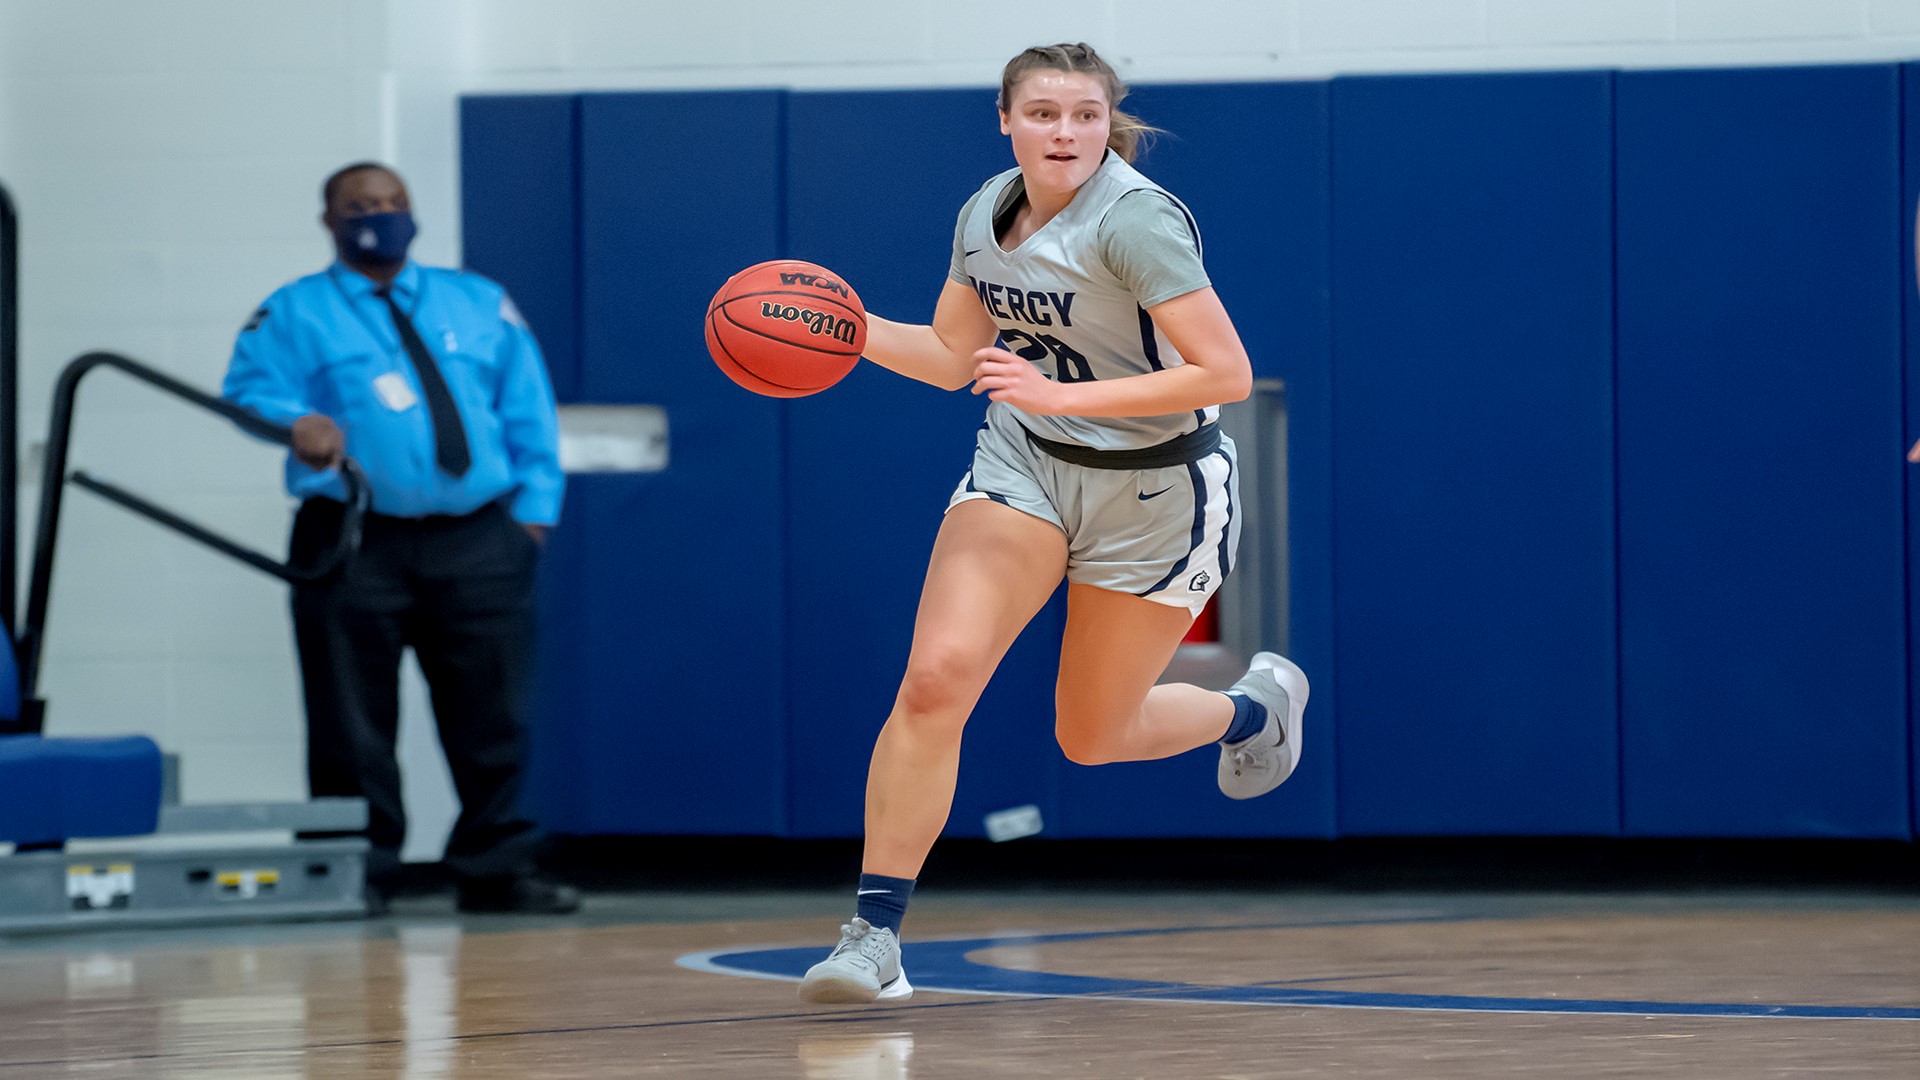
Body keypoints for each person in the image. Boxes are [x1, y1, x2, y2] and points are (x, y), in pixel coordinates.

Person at [795, 43, 1308, 1003]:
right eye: (1042, 113)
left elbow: (1226, 375)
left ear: (1108, 123)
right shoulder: (986, 210)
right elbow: (955, 356)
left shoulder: (1137, 222)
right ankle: (872, 937)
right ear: (1005, 119)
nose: (1064, 132)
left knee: (1093, 735)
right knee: (936, 677)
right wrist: (850, 330)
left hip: (1156, 491)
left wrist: (1061, 395)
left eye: (1083, 114)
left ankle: (1254, 709)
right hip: (1024, 465)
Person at [222, 162, 578, 916]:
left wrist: (533, 516)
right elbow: (248, 392)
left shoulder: (478, 302)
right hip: (352, 535)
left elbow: (528, 409)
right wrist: (295, 422)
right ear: (329, 220)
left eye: (391, 203)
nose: (376, 215)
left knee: (494, 711)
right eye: (358, 206)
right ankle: (359, 869)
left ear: (413, 212)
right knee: (350, 716)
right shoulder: (292, 312)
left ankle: (497, 867)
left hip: (481, 535)